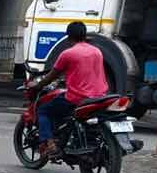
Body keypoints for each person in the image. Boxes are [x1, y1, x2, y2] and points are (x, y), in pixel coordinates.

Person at [29, 21, 108, 158]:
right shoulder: (97, 51)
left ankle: (50, 144)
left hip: (78, 98)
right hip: (100, 96)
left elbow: (51, 76)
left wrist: (37, 86)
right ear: (84, 35)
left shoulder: (68, 54)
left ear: (68, 36)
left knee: (44, 111)